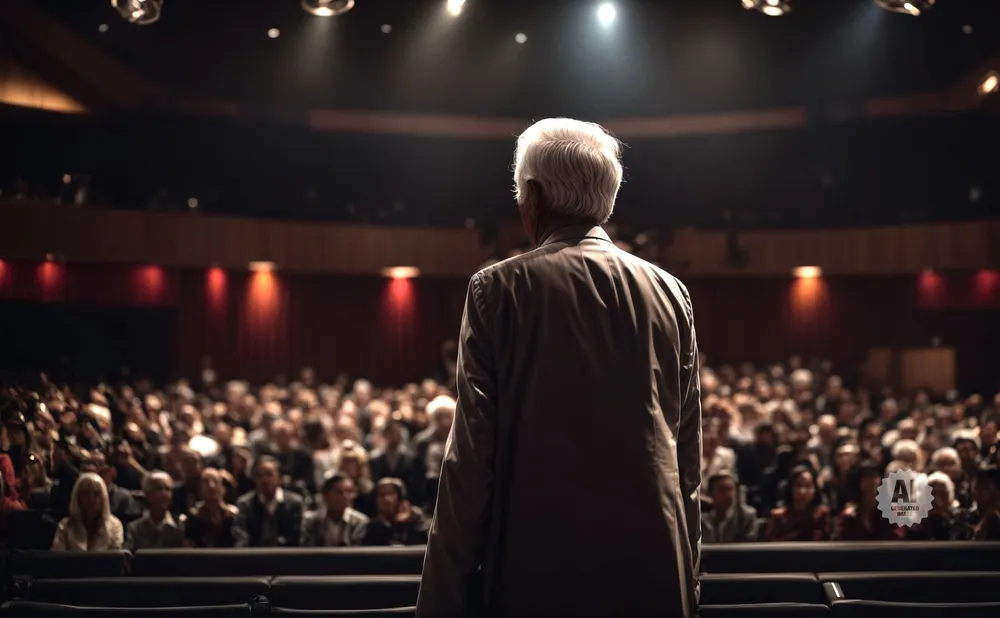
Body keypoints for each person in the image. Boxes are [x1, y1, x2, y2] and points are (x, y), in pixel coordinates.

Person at [418, 118, 702, 618]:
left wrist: (440, 602)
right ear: (606, 198)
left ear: (532, 195)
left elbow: (469, 463)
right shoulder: (670, 292)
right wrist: (688, 582)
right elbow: (687, 466)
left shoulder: (497, 290)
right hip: (655, 574)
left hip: (536, 572)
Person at [233, 455, 304, 547]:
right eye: (260, 476)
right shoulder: (245, 504)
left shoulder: (294, 503)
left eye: (269, 475)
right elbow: (241, 535)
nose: (264, 480)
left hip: (286, 556)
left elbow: (295, 536)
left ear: (279, 478)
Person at [51, 472, 124, 551]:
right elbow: (57, 557)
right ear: (78, 497)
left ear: (104, 497)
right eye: (86, 494)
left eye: (96, 494)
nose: (91, 499)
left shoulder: (114, 526)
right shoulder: (65, 526)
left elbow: (116, 558)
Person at [764, 465, 831, 541]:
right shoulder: (778, 517)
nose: (802, 491)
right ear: (790, 488)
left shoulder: (821, 515)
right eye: (798, 486)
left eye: (808, 486)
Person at [302, 472, 369, 547]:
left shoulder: (359, 521)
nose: (345, 496)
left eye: (349, 492)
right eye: (339, 492)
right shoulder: (311, 520)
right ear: (325, 496)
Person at [125, 470, 185, 550]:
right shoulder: (135, 528)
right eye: (159, 489)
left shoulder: (180, 525)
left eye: (167, 489)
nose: (164, 494)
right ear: (147, 493)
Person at [364, 477, 428, 546]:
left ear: (400, 497)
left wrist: (405, 523)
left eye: (390, 493)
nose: (385, 498)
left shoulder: (416, 518)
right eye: (381, 495)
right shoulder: (373, 525)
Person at [185, 468, 240, 548]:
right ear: (200, 488)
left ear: (223, 488)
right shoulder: (193, 517)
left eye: (216, 481)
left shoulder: (234, 515)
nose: (211, 486)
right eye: (206, 482)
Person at [701, 471, 759, 543]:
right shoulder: (703, 519)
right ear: (711, 493)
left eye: (730, 489)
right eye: (721, 490)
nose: (728, 494)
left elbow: (748, 547)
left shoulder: (746, 516)